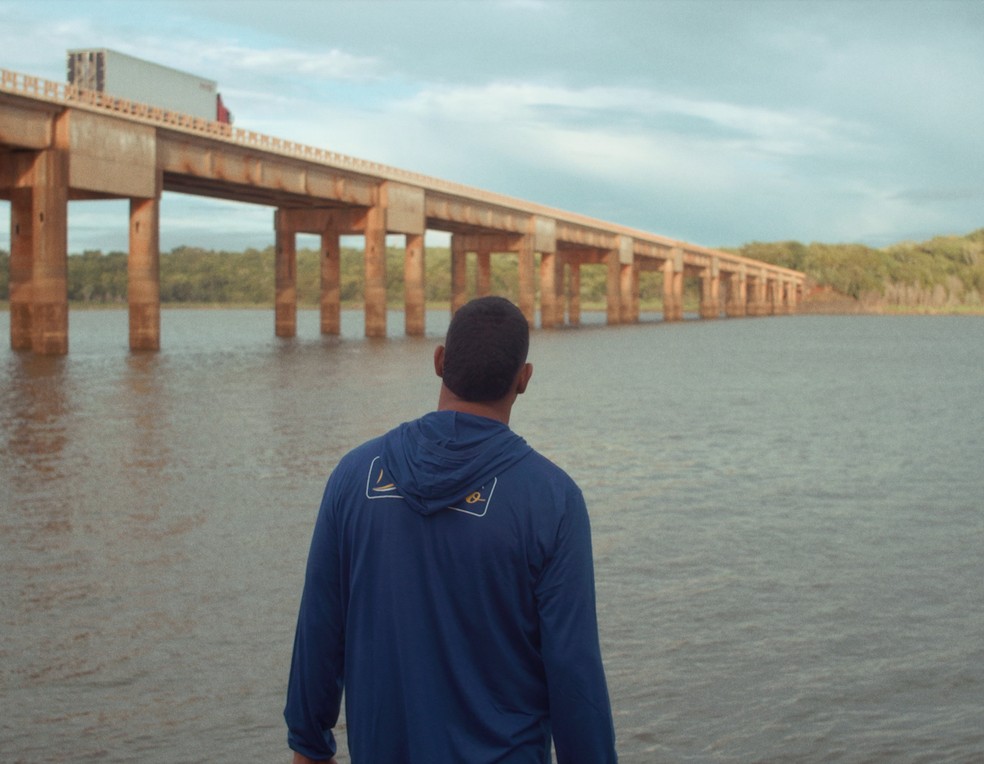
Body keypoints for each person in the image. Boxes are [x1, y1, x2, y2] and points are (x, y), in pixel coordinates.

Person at [284, 296, 617, 763]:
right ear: (524, 380)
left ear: (439, 362)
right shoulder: (552, 499)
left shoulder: (354, 475)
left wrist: (309, 745)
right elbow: (573, 675)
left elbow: (319, 629)